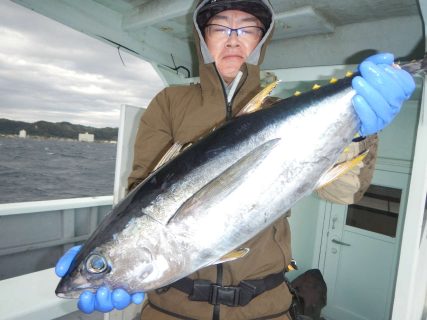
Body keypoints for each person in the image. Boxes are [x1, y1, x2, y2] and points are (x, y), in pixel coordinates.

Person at [56, 0, 416, 319]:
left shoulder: (278, 108)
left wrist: (362, 131)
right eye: (219, 27)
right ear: (202, 37)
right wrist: (105, 257)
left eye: (246, 29)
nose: (232, 38)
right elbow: (142, 193)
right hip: (171, 310)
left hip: (267, 307)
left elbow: (344, 194)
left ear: (261, 41)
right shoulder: (169, 103)